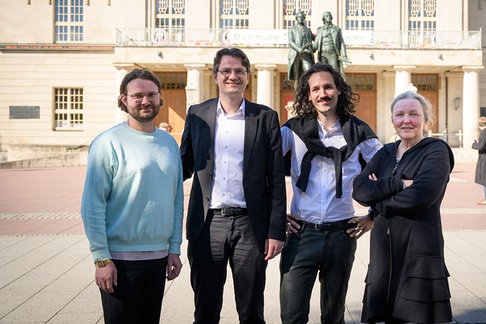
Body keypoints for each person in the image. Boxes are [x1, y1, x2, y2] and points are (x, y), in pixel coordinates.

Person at [180, 47, 286, 324]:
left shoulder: (265, 117)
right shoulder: (197, 114)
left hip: (249, 225)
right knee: (205, 309)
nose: (232, 76)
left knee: (251, 310)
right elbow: (184, 165)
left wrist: (276, 232)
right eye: (226, 71)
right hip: (207, 223)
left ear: (248, 77)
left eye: (239, 71)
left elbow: (275, 178)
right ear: (215, 76)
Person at [280, 63, 382, 324]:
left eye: (327, 87)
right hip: (301, 235)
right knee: (291, 316)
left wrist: (373, 216)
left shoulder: (360, 132)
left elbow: (387, 173)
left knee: (334, 316)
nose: (322, 93)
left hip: (341, 235)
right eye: (315, 89)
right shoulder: (292, 130)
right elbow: (262, 172)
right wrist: (277, 215)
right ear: (308, 94)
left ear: (339, 91)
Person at [81, 69, 184, 324]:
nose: (145, 101)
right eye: (137, 96)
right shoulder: (107, 142)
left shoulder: (169, 143)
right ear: (124, 99)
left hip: (158, 259)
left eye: (151, 95)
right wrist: (101, 259)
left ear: (160, 98)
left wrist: (174, 249)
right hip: (119, 261)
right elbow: (92, 205)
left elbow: (176, 199)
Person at [352, 90, 453, 324]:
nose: (406, 120)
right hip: (383, 255)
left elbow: (421, 196)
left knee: (417, 318)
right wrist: (399, 184)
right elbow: (359, 189)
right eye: (400, 114)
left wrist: (378, 203)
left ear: (426, 120)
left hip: (418, 251)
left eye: (414, 114)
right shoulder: (385, 152)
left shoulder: (436, 150)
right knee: (386, 317)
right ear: (392, 120)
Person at [314, 11, 350, 78]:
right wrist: (311, 49)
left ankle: (337, 87)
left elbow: (342, 43)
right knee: (322, 71)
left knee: (335, 72)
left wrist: (344, 55)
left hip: (332, 54)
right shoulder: (320, 30)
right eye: (326, 16)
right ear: (323, 19)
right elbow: (316, 43)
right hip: (322, 54)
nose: (329, 17)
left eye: (329, 16)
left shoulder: (337, 29)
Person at [287, 10, 315, 88]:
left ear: (304, 18)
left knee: (309, 73)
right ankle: (297, 95)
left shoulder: (308, 30)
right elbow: (291, 42)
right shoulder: (292, 29)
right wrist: (299, 49)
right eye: (299, 17)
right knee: (296, 76)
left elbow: (315, 39)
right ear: (296, 18)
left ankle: (307, 91)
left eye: (302, 17)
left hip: (306, 55)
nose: (300, 18)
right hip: (296, 54)